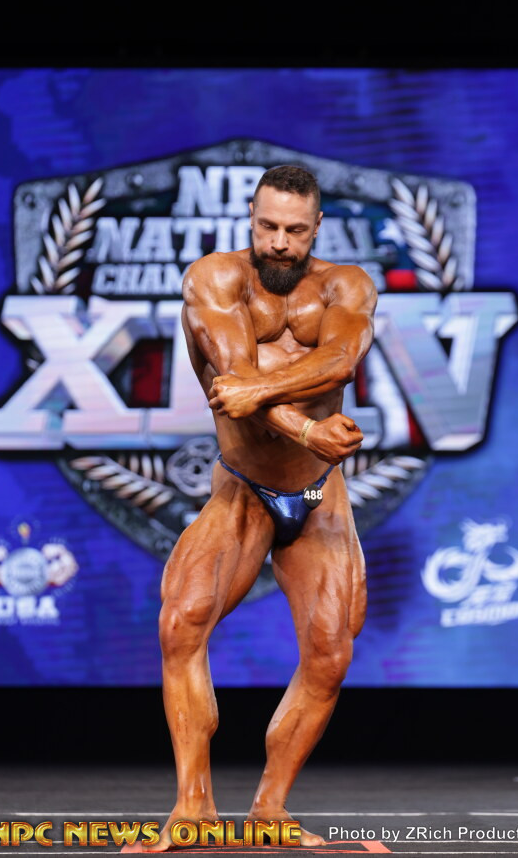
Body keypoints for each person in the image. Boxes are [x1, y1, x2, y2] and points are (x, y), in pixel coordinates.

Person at [153, 165, 377, 849]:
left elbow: (340, 360)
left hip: (319, 493)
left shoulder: (346, 286)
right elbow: (233, 385)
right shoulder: (215, 279)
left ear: (317, 228)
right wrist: (307, 428)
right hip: (243, 485)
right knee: (182, 623)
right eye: (267, 226)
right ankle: (192, 809)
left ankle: (270, 810)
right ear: (251, 219)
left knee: (331, 653)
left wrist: (265, 398)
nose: (279, 242)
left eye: (295, 230)